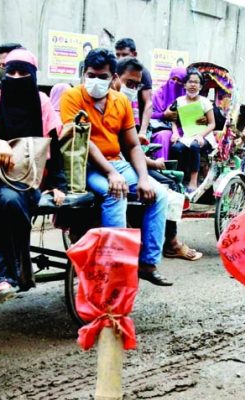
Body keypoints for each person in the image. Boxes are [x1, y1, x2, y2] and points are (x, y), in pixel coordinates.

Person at [0, 49, 66, 302]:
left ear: (34, 76)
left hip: (25, 174)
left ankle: (13, 274)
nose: (16, 77)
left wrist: (57, 184)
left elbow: (54, 145)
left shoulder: (41, 103)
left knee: (10, 202)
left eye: (23, 72)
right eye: (11, 72)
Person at [59, 48, 172, 286]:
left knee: (160, 195)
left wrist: (143, 177)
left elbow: (132, 145)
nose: (96, 81)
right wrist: (111, 174)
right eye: (91, 75)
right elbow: (83, 141)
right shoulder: (72, 97)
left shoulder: (121, 101)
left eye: (103, 77)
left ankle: (148, 264)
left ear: (113, 78)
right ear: (84, 74)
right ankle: (118, 266)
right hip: (86, 165)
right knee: (115, 193)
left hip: (117, 163)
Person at [112, 58, 202, 261]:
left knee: (167, 176)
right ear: (116, 78)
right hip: (117, 164)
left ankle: (159, 243)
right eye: (130, 84)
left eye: (136, 85)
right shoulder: (114, 103)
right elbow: (123, 149)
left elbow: (131, 146)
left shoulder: (124, 105)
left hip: (129, 160)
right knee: (168, 185)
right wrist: (151, 163)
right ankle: (170, 242)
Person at [170, 69, 216, 193]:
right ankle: (178, 179)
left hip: (204, 135)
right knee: (176, 148)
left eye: (196, 82)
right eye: (190, 82)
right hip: (187, 136)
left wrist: (201, 135)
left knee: (195, 145)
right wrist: (175, 133)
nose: (193, 85)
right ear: (185, 84)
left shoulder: (205, 102)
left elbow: (212, 124)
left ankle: (193, 180)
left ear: (200, 86)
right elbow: (174, 121)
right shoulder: (179, 101)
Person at [114, 37, 154, 139]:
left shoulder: (142, 73)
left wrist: (143, 132)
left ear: (134, 54)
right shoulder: (114, 69)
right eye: (118, 55)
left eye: (124, 54)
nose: (120, 58)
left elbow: (148, 103)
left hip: (135, 125)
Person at [148, 66, 187, 160]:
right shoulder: (159, 93)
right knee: (162, 136)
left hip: (182, 130)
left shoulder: (186, 98)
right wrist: (164, 115)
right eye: (173, 79)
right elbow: (148, 114)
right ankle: (159, 168)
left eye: (179, 80)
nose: (175, 82)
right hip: (158, 128)